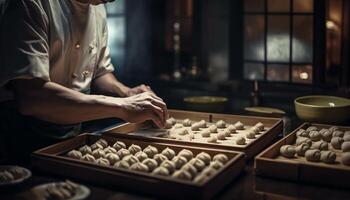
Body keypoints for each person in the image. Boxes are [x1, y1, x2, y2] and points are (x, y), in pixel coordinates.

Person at [0, 0, 168, 163]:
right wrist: (123, 106)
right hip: (21, 138)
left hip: (73, 136)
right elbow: (32, 98)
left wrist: (126, 93)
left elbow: (99, 74)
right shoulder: (29, 3)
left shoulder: (97, 7)